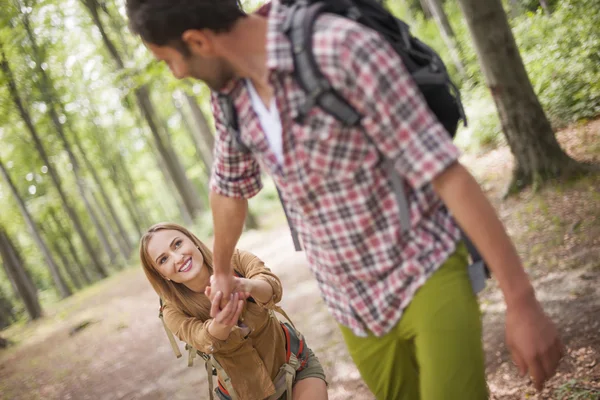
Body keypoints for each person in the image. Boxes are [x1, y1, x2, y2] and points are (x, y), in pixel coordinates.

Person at [127, 1, 564, 398]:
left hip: (422, 268)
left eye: (169, 61)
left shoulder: (336, 48)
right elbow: (228, 188)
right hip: (349, 300)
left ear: (199, 41)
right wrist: (221, 270)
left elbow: (449, 177)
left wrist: (521, 301)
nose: (177, 74)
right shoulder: (229, 99)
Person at [139, 222, 328, 400]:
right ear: (161, 274)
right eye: (163, 259)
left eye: (178, 244)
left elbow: (271, 286)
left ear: (193, 241)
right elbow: (203, 339)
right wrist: (222, 322)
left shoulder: (235, 260)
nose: (177, 257)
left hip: (296, 366)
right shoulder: (172, 311)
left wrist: (245, 285)